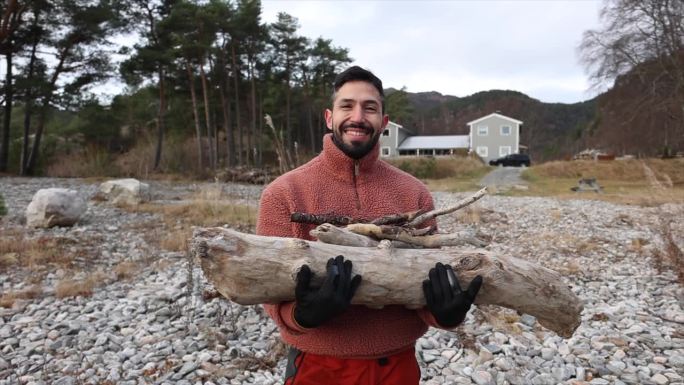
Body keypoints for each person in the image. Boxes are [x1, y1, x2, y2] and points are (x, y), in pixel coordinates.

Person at [256, 66, 482, 385]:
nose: (358, 116)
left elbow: (426, 286)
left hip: (396, 367)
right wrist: (302, 315)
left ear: (384, 123)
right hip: (318, 367)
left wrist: (445, 314)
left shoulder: (413, 193)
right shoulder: (284, 193)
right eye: (347, 106)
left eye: (370, 108)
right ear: (329, 117)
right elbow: (267, 290)